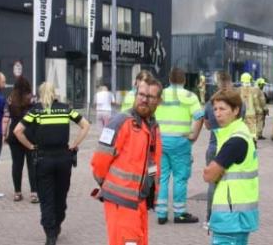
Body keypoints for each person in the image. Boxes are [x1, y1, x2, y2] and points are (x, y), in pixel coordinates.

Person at [14, 82, 91, 245]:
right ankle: (57, 223)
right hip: (64, 158)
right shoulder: (65, 109)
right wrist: (74, 144)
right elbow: (85, 125)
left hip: (43, 159)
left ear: (40, 94)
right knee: (61, 196)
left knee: (46, 197)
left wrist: (30, 146)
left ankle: (50, 234)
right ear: (54, 93)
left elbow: (17, 131)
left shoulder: (36, 111)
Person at [91, 77, 164, 245]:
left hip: (140, 201)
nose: (144, 99)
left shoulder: (152, 126)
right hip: (121, 201)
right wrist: (109, 186)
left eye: (150, 97)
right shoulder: (121, 122)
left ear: (158, 101)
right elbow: (99, 162)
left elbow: (152, 163)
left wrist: (151, 188)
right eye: (141, 94)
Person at [203, 88, 259, 245]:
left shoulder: (235, 140)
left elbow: (209, 175)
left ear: (236, 110)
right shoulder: (238, 133)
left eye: (222, 109)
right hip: (237, 216)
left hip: (230, 216)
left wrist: (212, 171)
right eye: (215, 109)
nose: (217, 114)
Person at [155, 68, 202, 225]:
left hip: (161, 141)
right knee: (180, 178)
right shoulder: (190, 96)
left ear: (169, 79)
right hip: (180, 142)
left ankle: (161, 213)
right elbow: (199, 117)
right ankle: (179, 213)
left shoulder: (160, 95)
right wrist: (194, 136)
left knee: (162, 178)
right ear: (184, 80)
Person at [199, 71, 239, 225]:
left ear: (217, 83)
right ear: (230, 81)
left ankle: (210, 218)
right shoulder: (236, 103)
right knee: (232, 183)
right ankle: (228, 216)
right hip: (232, 146)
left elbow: (207, 125)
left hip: (213, 145)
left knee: (212, 183)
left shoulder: (211, 103)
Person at [3, 77, 38, 203]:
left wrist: (4, 134)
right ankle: (34, 193)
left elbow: (6, 118)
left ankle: (17, 193)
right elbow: (38, 116)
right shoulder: (33, 98)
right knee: (32, 164)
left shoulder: (10, 99)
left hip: (14, 134)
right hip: (30, 134)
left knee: (17, 164)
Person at [237, 73, 263, 138]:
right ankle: (253, 140)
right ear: (250, 80)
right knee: (252, 130)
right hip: (251, 114)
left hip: (241, 114)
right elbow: (256, 102)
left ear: (241, 80)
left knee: (242, 129)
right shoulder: (254, 90)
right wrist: (259, 111)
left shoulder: (238, 90)